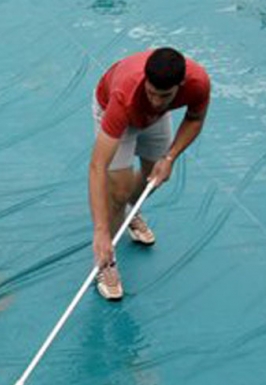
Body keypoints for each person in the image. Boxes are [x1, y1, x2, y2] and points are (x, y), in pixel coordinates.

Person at [89, 47, 211, 301]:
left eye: (164, 95)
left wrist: (170, 157)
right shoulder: (125, 94)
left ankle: (129, 212)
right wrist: (100, 231)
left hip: (154, 120)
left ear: (180, 85)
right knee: (118, 192)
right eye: (152, 93)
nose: (156, 100)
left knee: (152, 181)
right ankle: (105, 264)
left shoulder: (198, 83)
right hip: (114, 111)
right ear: (145, 80)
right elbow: (97, 166)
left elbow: (195, 118)